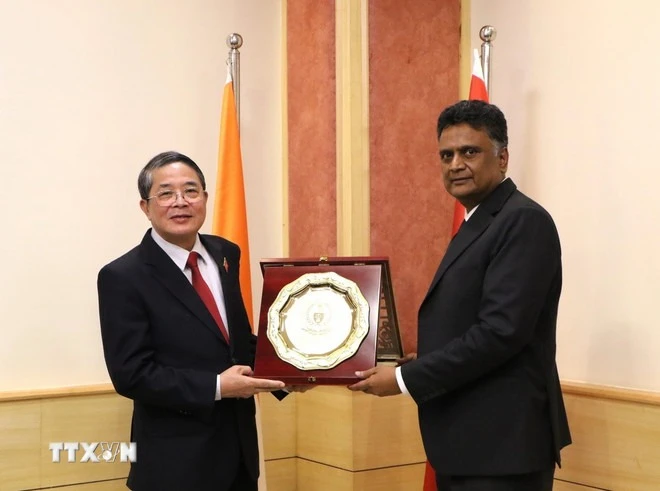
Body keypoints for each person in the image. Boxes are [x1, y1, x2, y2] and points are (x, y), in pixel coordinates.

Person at [349, 100, 571, 490]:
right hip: (470, 444)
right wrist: (426, 357)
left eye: (470, 152)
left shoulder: (522, 220)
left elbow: (501, 332)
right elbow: (473, 320)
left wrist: (404, 378)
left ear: (502, 158)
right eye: (446, 155)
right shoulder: (480, 221)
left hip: (501, 449)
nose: (455, 164)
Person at [97, 151, 285, 491]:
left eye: (191, 190)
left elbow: (236, 340)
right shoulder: (123, 276)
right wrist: (216, 387)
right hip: (175, 465)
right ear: (145, 207)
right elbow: (131, 374)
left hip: (240, 457)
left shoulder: (226, 253)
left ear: (206, 198)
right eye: (166, 193)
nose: (180, 202)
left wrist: (292, 369)